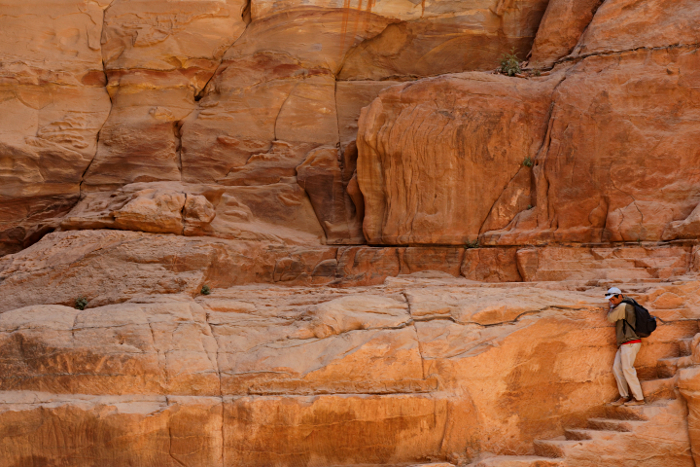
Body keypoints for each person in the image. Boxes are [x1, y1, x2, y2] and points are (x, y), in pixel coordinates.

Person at [605, 287, 645, 407]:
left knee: (627, 369)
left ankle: (639, 399)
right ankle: (624, 396)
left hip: (631, 342)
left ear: (620, 296)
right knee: (617, 368)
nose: (612, 302)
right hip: (625, 343)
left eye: (613, 299)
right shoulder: (628, 302)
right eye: (610, 300)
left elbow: (610, 318)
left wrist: (612, 308)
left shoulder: (623, 306)